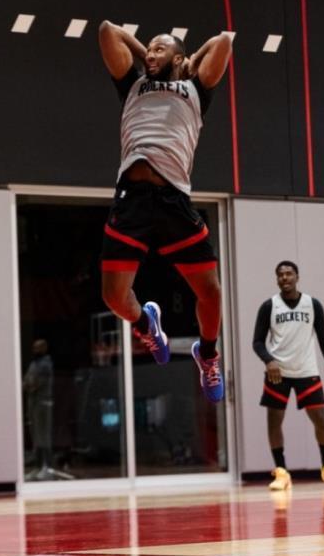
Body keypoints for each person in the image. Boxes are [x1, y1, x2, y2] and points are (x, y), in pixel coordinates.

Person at [98, 20, 232, 403]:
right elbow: (107, 31)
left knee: (211, 293)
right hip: (133, 199)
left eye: (161, 49)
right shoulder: (133, 84)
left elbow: (223, 41)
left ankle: (208, 355)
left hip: (174, 200)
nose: (152, 54)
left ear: (178, 57)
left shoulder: (195, 89)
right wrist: (148, 55)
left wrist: (189, 62)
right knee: (113, 298)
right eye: (150, 48)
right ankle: (147, 325)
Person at [252, 260, 324, 489]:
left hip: (307, 371)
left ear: (297, 277)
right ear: (277, 279)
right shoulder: (269, 306)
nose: (285, 277)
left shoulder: (312, 304)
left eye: (289, 273)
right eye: (280, 274)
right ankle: (281, 473)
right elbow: (257, 342)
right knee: (274, 422)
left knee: (321, 420)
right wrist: (269, 360)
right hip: (278, 373)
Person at [23, 338, 55, 480]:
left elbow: (35, 384)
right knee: (36, 436)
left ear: (44, 348)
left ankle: (48, 467)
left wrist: (29, 385)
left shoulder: (46, 364)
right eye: (34, 347)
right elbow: (26, 381)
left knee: (43, 436)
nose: (35, 350)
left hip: (43, 403)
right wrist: (26, 385)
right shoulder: (33, 364)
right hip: (33, 403)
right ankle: (37, 467)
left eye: (38, 347)